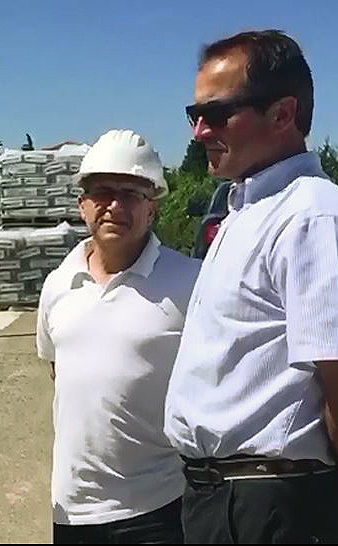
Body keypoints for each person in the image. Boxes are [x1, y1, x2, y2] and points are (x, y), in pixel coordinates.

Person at [165, 30, 338, 543]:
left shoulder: (309, 216)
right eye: (192, 115)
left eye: (216, 114)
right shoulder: (247, 209)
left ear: (283, 114)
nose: (199, 131)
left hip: (269, 507)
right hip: (224, 501)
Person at [37, 130, 200, 544]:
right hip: (72, 510)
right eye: (102, 193)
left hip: (157, 507)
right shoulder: (59, 284)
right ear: (82, 205)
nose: (114, 206)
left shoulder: (188, 283)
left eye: (130, 193)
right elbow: (60, 370)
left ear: (153, 208)